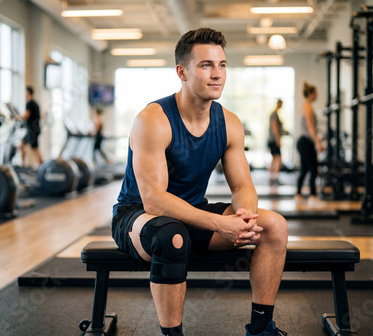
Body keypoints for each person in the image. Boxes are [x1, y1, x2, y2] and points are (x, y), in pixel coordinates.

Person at [112, 28, 288, 336]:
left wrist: (244, 216)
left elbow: (243, 186)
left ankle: (261, 328)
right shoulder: (153, 120)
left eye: (222, 65)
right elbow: (154, 201)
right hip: (138, 218)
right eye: (206, 65)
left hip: (191, 213)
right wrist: (221, 224)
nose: (217, 74)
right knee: (172, 236)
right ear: (181, 71)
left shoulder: (229, 123)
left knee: (275, 226)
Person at [295, 82, 324, 202]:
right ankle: (312, 195)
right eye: (316, 93)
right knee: (313, 168)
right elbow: (311, 128)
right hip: (305, 141)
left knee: (305, 168)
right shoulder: (307, 108)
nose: (317, 95)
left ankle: (298, 194)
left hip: (303, 141)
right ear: (311, 94)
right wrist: (318, 142)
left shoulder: (307, 107)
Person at [19, 86, 43, 166]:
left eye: (25, 92)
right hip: (33, 129)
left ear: (28, 92)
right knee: (21, 146)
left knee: (35, 149)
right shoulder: (35, 103)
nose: (24, 94)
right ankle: (23, 165)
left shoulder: (30, 103)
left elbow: (26, 115)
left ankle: (42, 166)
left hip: (32, 130)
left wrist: (17, 117)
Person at [267, 99, 285, 186]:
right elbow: (274, 127)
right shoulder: (274, 114)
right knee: (277, 158)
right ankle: (274, 178)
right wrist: (278, 139)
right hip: (273, 140)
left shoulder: (275, 114)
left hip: (272, 139)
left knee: (275, 158)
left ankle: (272, 178)